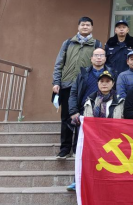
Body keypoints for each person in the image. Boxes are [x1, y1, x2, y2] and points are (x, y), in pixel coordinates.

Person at [52, 16, 102, 159]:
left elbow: (99, 63)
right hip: (67, 84)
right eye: (83, 24)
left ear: (92, 28)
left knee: (83, 117)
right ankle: (65, 148)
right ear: (78, 27)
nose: (85, 27)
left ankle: (77, 148)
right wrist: (56, 82)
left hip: (86, 86)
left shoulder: (96, 44)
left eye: (88, 25)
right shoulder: (68, 43)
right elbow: (59, 63)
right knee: (66, 117)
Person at [67, 69, 124, 192]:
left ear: (113, 84)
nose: (104, 84)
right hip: (94, 137)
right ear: (98, 83)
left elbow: (124, 120)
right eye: (102, 81)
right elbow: (87, 120)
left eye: (107, 81)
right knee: (85, 155)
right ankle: (78, 180)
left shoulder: (120, 101)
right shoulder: (90, 100)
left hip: (113, 139)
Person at [67, 48, 110, 132]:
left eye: (101, 55)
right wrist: (74, 112)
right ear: (91, 58)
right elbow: (73, 94)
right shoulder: (82, 74)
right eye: (96, 55)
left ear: (105, 58)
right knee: (82, 138)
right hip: (84, 112)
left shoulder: (112, 73)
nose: (99, 57)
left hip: (106, 113)